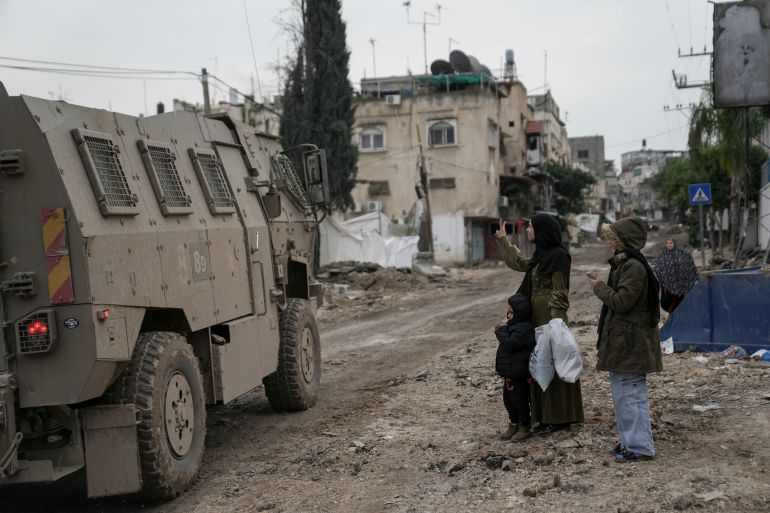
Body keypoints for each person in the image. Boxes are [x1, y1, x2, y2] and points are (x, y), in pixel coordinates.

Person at [494, 214, 584, 434]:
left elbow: (560, 292)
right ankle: (543, 416)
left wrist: (556, 323)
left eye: (531, 226)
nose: (527, 230)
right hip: (536, 317)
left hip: (550, 318)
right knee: (539, 364)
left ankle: (560, 418)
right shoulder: (540, 255)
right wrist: (504, 240)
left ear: (542, 230)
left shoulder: (559, 256)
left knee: (555, 362)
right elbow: (520, 263)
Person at [586, 218, 663, 463]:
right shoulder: (625, 264)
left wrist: (599, 287)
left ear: (624, 240)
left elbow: (622, 301)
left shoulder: (633, 267)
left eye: (612, 238)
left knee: (631, 395)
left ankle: (640, 447)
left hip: (632, 342)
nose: (609, 243)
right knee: (623, 395)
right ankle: (630, 442)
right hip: (625, 341)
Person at [494, 293, 536, 442]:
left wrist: (500, 331)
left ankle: (524, 425)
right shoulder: (514, 326)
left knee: (520, 401)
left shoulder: (525, 329)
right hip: (510, 372)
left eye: (511, 312)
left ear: (520, 313)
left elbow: (510, 344)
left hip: (519, 373)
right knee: (508, 400)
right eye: (508, 312)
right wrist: (504, 329)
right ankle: (514, 423)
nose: (508, 315)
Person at [655, 238, 698, 313]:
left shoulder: (681, 254)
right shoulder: (662, 256)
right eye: (667, 243)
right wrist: (663, 279)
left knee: (679, 302)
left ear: (674, 244)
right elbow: (658, 268)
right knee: (667, 303)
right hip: (668, 285)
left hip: (680, 285)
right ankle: (673, 315)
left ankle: (678, 315)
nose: (669, 245)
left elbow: (687, 265)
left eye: (671, 243)